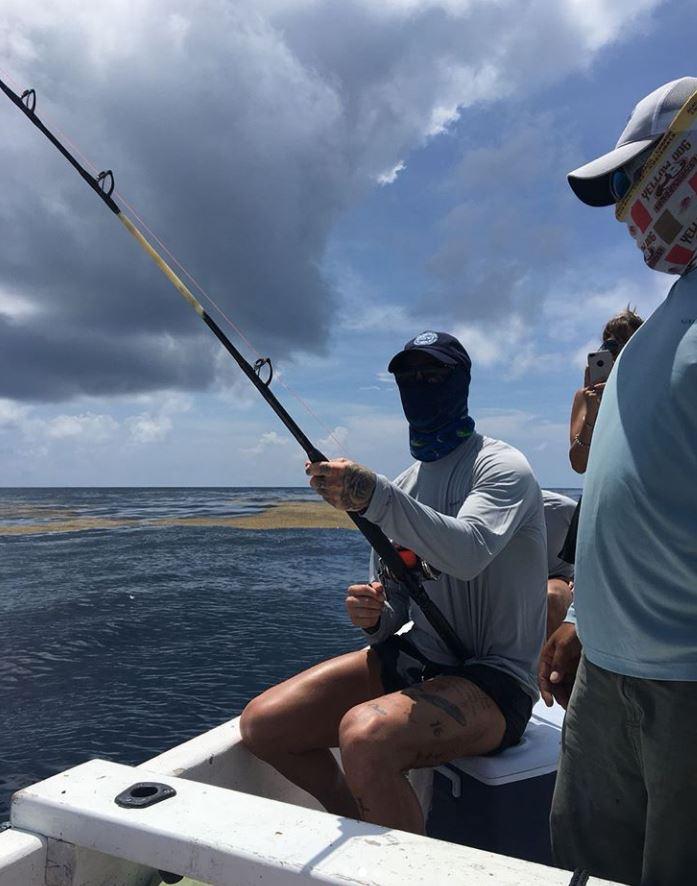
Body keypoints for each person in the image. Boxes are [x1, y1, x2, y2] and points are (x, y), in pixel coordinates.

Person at [241, 331, 547, 835]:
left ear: (462, 382)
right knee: (264, 725)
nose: (418, 385)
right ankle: (358, 820)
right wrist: (375, 616)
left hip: (496, 680)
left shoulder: (501, 467)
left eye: (433, 375)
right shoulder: (401, 488)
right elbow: (396, 608)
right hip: (417, 660)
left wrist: (372, 496)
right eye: (407, 377)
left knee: (364, 737)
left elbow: (466, 552)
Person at [540, 77, 697, 886]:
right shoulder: (654, 331)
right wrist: (586, 623)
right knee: (587, 869)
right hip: (604, 672)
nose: (624, 211)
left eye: (632, 181)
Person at [568, 308, 643, 475]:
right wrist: (592, 412)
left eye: (623, 345)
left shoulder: (650, 390)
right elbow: (579, 465)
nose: (614, 355)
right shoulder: (586, 397)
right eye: (608, 346)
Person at [541, 490, 576, 638]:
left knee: (552, 596)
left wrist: (578, 581)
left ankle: (549, 658)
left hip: (555, 577)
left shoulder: (565, 508)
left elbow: (591, 549)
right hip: (505, 580)